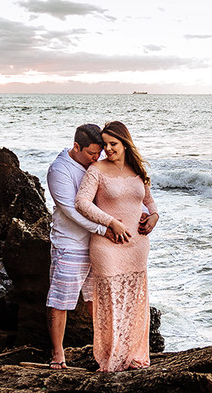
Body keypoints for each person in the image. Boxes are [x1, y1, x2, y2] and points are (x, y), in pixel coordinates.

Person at [75, 121, 159, 372]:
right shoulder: (96, 169)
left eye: (114, 144)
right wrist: (110, 222)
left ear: (125, 144)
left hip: (137, 246)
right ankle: (112, 357)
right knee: (110, 302)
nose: (108, 149)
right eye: (105, 144)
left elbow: (149, 202)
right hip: (107, 246)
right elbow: (81, 203)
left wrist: (154, 217)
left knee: (134, 301)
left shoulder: (138, 170)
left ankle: (133, 356)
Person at [45, 123, 118, 369]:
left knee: (97, 299)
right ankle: (58, 354)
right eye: (91, 153)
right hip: (70, 243)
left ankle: (107, 350)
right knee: (61, 299)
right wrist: (105, 228)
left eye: (99, 153)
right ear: (76, 146)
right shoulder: (60, 170)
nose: (96, 158)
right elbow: (72, 211)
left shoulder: (96, 165)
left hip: (98, 245)